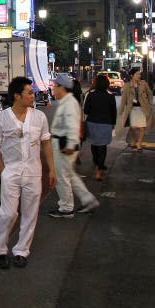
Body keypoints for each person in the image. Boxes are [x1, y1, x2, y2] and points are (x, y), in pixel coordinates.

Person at [0, 76, 56, 269]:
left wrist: (51, 169)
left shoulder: (39, 117)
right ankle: (0, 249)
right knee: (8, 214)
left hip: (33, 172)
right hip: (11, 171)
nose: (32, 96)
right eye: (29, 92)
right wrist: (3, 170)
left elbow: (46, 143)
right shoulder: (0, 120)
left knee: (30, 213)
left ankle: (22, 250)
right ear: (17, 96)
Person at [48, 74, 99, 218]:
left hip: (63, 144)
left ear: (61, 87)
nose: (53, 89)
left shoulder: (69, 103)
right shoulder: (67, 101)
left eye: (55, 86)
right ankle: (88, 200)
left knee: (62, 176)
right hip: (65, 143)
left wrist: (70, 144)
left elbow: (72, 126)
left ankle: (66, 208)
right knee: (69, 174)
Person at [83, 74, 116, 181]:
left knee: (94, 144)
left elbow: (86, 110)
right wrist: (113, 124)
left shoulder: (91, 95)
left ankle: (97, 162)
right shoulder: (110, 96)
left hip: (92, 123)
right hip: (105, 124)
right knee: (102, 147)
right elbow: (113, 112)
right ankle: (99, 168)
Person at [116, 68, 154, 152]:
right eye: (137, 74)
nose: (139, 76)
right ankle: (134, 139)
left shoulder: (143, 83)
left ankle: (139, 143)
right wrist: (121, 110)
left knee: (142, 127)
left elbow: (150, 93)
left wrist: (150, 103)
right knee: (132, 127)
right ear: (132, 75)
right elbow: (124, 99)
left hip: (142, 108)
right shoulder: (127, 85)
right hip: (132, 109)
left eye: (139, 74)